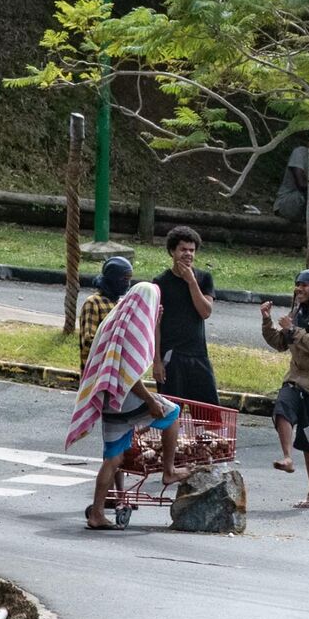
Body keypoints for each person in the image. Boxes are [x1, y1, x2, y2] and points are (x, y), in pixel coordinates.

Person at [68, 282, 184, 530]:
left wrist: (155, 322)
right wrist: (151, 402)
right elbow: (128, 375)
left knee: (113, 458)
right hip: (126, 398)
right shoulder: (131, 329)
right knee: (172, 413)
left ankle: (97, 513)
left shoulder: (115, 322)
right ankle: (169, 470)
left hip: (109, 400)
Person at [261, 269, 309, 509]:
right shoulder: (296, 313)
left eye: (305, 285)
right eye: (297, 284)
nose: (299, 289)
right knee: (282, 408)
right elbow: (280, 343)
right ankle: (287, 457)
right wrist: (267, 320)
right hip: (296, 378)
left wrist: (293, 330)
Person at [153, 226, 219, 405]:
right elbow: (155, 325)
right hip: (171, 356)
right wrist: (157, 361)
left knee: (208, 412)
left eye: (192, 250)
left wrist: (191, 282)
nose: (188, 254)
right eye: (183, 249)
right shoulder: (160, 282)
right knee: (171, 411)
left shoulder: (204, 278)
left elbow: (205, 312)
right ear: (172, 251)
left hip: (198, 355)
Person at [78, 256, 133, 366]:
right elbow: (88, 342)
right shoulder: (93, 303)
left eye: (129, 279)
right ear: (113, 278)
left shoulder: (121, 303)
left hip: (117, 369)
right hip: (97, 370)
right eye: (124, 279)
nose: (127, 283)